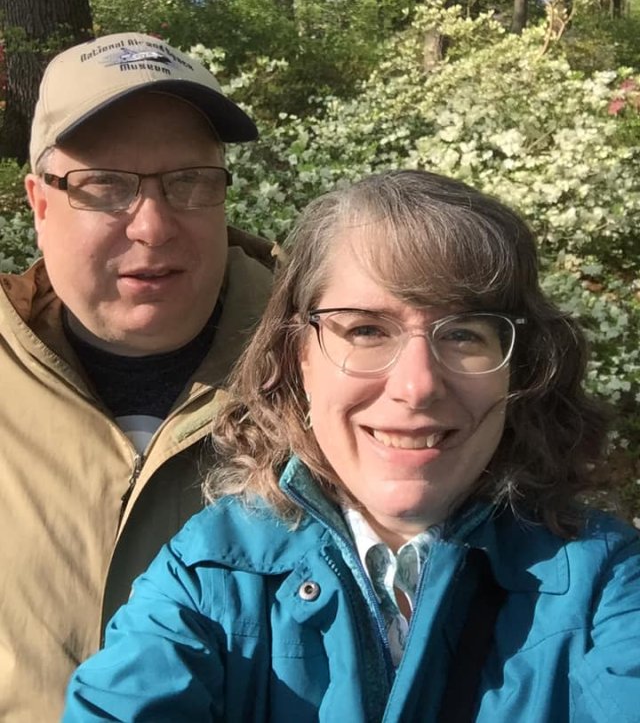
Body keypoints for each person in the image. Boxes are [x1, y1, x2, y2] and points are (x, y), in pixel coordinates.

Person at [63, 170, 640, 722]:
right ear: (299, 357)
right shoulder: (208, 576)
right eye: (365, 330)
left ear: (518, 367)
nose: (417, 386)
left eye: (464, 333)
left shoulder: (607, 584)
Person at [0, 32, 274, 722]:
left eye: (189, 182)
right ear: (38, 201)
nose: (153, 226)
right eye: (106, 188)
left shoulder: (329, 371)